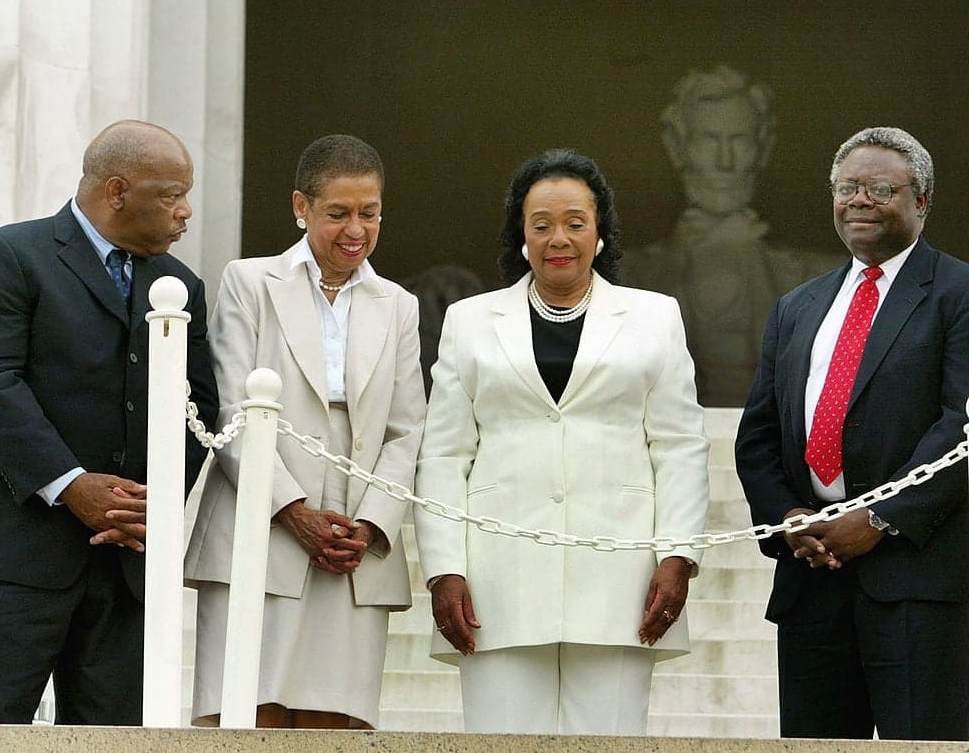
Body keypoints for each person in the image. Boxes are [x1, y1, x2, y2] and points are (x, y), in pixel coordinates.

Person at [413, 149, 709, 735]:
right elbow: (445, 452)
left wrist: (678, 557)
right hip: (496, 583)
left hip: (620, 580)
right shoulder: (471, 321)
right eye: (541, 224)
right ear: (520, 233)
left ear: (601, 231)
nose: (559, 239)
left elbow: (679, 446)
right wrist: (443, 568)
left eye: (576, 222)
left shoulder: (655, 317)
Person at [0, 119, 219, 725]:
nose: (186, 212)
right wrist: (71, 484)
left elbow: (199, 408)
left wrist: (145, 506)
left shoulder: (180, 286)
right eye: (171, 195)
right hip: (9, 560)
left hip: (126, 568)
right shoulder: (10, 255)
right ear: (116, 191)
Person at [735, 127, 969, 741]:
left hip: (917, 584)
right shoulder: (797, 306)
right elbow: (758, 436)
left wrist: (877, 519)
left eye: (879, 188)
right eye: (847, 188)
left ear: (922, 202)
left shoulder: (958, 293)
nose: (859, 200)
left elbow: (961, 425)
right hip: (812, 580)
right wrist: (789, 516)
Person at [184, 134, 425, 729]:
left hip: (355, 538)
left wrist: (367, 527)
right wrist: (293, 512)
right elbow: (233, 409)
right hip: (260, 519)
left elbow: (408, 429)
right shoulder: (249, 282)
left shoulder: (399, 304)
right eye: (338, 212)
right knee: (243, 715)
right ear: (301, 208)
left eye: (369, 213)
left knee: (335, 723)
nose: (356, 229)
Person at [631, 65, 833, 406]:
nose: (725, 162)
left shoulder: (822, 278)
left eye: (739, 141)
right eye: (708, 141)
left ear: (763, 146)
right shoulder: (624, 276)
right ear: (676, 147)